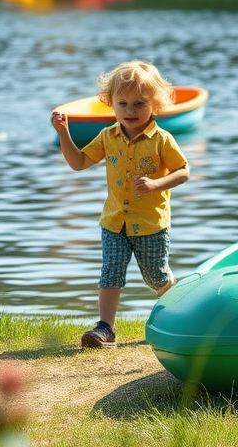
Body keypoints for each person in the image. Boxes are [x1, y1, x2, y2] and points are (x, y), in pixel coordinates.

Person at [51, 61, 190, 349]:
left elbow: (183, 171)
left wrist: (155, 184)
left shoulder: (162, 140)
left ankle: (182, 312)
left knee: (157, 276)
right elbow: (78, 163)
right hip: (114, 221)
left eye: (139, 103)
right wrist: (64, 133)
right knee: (111, 270)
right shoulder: (107, 137)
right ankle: (106, 328)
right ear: (110, 104)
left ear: (155, 104)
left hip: (150, 223)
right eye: (122, 103)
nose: (130, 110)